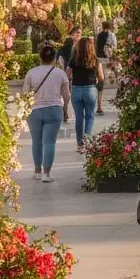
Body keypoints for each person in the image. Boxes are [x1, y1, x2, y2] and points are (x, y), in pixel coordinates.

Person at [22, 43, 70, 183]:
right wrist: (65, 109)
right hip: (54, 110)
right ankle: (46, 174)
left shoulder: (31, 72)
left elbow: (25, 93)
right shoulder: (60, 74)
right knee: (49, 142)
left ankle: (37, 171)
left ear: (40, 57)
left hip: (34, 110)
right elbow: (66, 96)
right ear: (55, 58)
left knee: (36, 141)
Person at [66, 35, 102, 151]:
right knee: (90, 116)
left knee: (79, 117)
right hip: (90, 89)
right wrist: (96, 79)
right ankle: (87, 142)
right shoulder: (95, 60)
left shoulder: (74, 60)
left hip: (76, 89)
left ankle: (80, 144)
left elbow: (67, 74)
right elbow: (101, 77)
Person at [95, 20, 117, 115]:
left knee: (101, 83)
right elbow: (115, 47)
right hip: (109, 60)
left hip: (99, 60)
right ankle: (118, 97)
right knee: (119, 77)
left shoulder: (99, 35)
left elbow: (97, 48)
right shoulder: (111, 35)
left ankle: (99, 105)